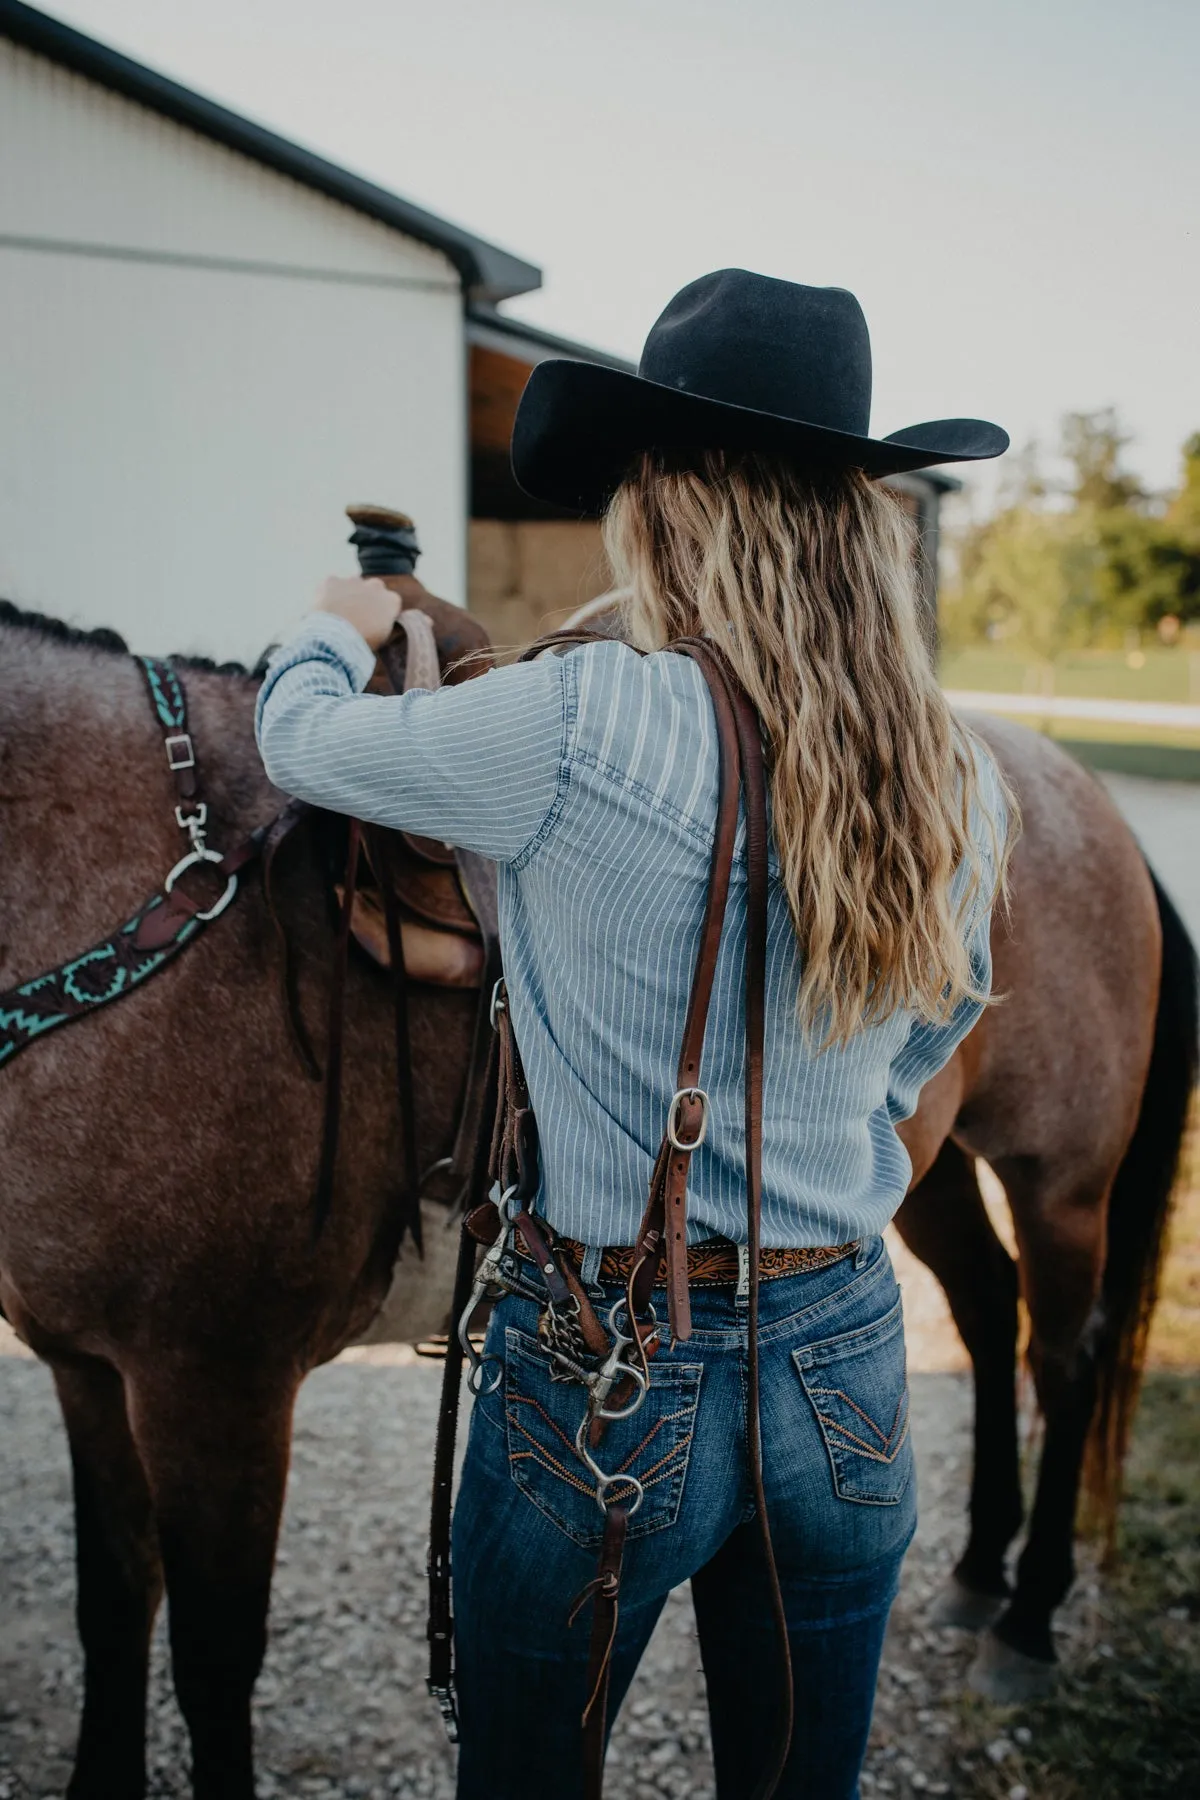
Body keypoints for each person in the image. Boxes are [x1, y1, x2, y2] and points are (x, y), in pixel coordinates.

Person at [255, 268, 1013, 1800]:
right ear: (854, 517)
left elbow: (304, 745)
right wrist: (836, 1146)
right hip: (847, 1354)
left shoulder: (581, 717)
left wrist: (333, 623)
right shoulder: (952, 769)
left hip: (607, 1351)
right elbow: (938, 1022)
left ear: (668, 503)